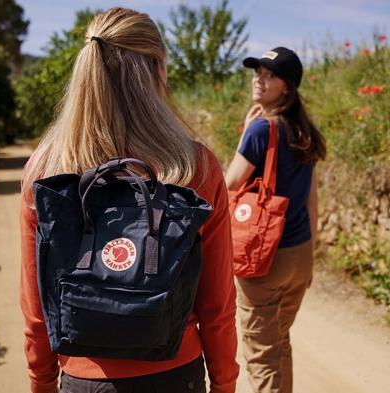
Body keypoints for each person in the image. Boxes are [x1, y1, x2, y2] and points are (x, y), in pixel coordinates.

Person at [19, 7, 239, 393]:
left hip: (84, 380)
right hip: (176, 375)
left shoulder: (46, 168)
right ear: (159, 70)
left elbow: (36, 305)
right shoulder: (195, 167)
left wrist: (42, 381)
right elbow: (217, 303)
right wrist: (224, 382)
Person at [224, 47, 327, 393]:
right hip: (300, 254)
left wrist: (245, 135)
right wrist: (310, 260)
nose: (259, 79)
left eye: (270, 75)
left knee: (262, 355)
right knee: (280, 340)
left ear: (287, 88)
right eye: (258, 72)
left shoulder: (260, 131)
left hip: (264, 257)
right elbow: (312, 203)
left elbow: (228, 184)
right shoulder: (304, 132)